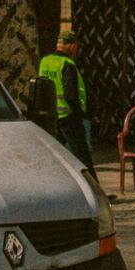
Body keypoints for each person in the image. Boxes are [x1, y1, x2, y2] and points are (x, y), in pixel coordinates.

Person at [37, 29, 95, 170]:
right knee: (82, 156)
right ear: (72, 46)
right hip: (69, 117)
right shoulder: (67, 64)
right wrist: (78, 115)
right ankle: (94, 189)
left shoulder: (45, 61)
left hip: (52, 116)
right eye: (76, 47)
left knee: (55, 157)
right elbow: (70, 94)